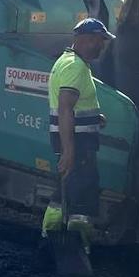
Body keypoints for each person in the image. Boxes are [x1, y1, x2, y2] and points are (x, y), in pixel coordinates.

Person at [42, 17, 114, 262]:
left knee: (62, 190)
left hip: (72, 138)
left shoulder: (66, 61)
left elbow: (75, 107)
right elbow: (65, 109)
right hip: (77, 142)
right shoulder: (75, 67)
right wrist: (69, 151)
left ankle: (50, 239)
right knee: (82, 193)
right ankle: (76, 250)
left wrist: (95, 118)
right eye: (99, 41)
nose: (101, 46)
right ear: (86, 39)